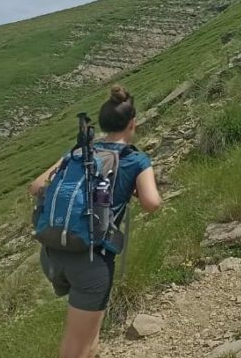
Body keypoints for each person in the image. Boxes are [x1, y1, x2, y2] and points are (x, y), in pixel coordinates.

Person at [29, 86, 162, 358]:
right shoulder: (135, 160)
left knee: (90, 337)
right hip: (90, 261)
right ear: (132, 123)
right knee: (76, 347)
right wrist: (132, 189)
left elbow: (36, 186)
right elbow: (152, 203)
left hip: (54, 252)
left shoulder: (79, 153)